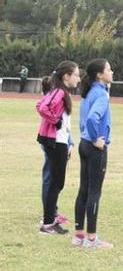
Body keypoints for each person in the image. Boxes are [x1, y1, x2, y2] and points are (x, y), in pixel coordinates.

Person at [74, 58, 115, 249]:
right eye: (108, 69)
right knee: (94, 192)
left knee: (84, 189)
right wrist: (97, 139)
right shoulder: (101, 94)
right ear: (100, 74)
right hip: (94, 146)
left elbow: (84, 119)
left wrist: (88, 137)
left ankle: (78, 236)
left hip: (83, 144)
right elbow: (92, 119)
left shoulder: (89, 93)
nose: (112, 72)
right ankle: (91, 239)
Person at [35, 61, 80, 235]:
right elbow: (42, 107)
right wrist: (56, 121)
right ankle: (47, 224)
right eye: (75, 74)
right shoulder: (60, 92)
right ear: (66, 76)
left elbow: (42, 105)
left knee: (57, 182)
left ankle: (50, 221)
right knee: (56, 182)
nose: (78, 78)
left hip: (60, 142)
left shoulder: (61, 92)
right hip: (55, 143)